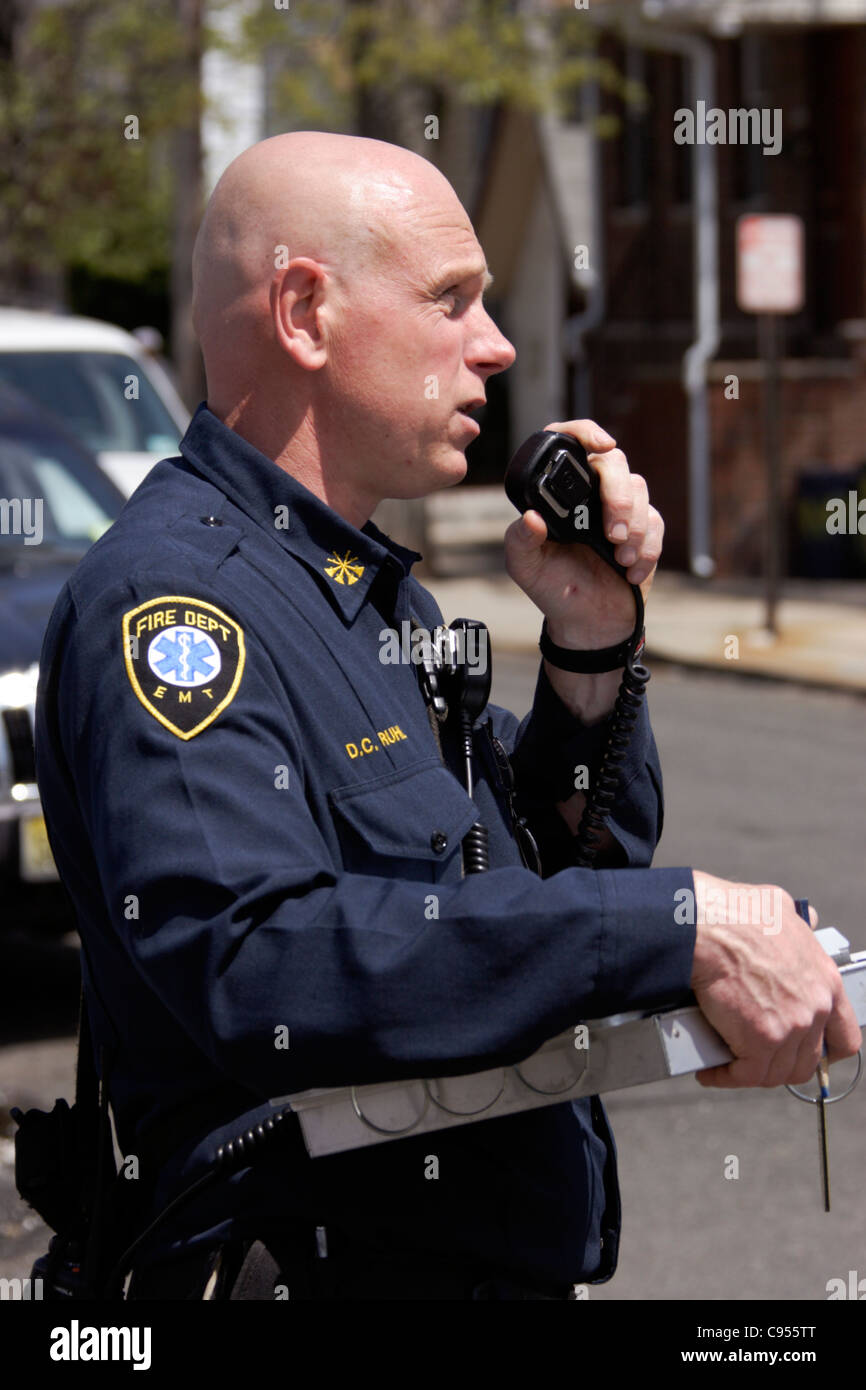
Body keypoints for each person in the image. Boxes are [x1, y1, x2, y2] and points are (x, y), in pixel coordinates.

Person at [34, 131, 860, 1302]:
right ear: (305, 313)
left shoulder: (366, 592)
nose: (498, 344)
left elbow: (522, 882)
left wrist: (589, 645)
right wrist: (676, 924)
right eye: (450, 300)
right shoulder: (176, 609)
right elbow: (257, 960)